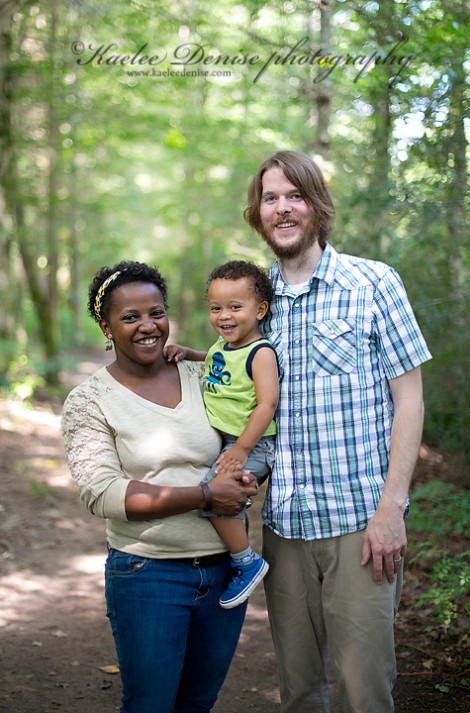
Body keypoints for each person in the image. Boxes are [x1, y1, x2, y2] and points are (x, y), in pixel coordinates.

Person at [244, 151, 432, 713]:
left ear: (317, 207)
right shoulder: (258, 303)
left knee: (362, 691)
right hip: (285, 527)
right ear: (257, 213)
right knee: (299, 691)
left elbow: (410, 397)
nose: (282, 208)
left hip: (361, 526)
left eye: (294, 196)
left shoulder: (373, 283)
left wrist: (391, 511)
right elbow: (236, 380)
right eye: (270, 198)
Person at [61, 260, 259, 713]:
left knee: (198, 702)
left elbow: (250, 408)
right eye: (130, 317)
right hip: (148, 573)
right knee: (150, 704)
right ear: (106, 327)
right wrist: (207, 495)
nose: (148, 326)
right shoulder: (89, 401)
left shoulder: (202, 377)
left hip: (226, 572)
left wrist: (248, 473)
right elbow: (104, 494)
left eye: (156, 312)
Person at [165, 260, 280, 609]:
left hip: (254, 443)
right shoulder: (224, 345)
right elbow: (217, 363)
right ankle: (238, 557)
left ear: (260, 310)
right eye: (216, 308)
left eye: (235, 307)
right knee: (216, 494)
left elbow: (267, 405)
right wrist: (189, 354)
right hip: (233, 443)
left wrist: (243, 449)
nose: (224, 316)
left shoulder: (260, 353)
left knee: (216, 497)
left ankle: (246, 561)